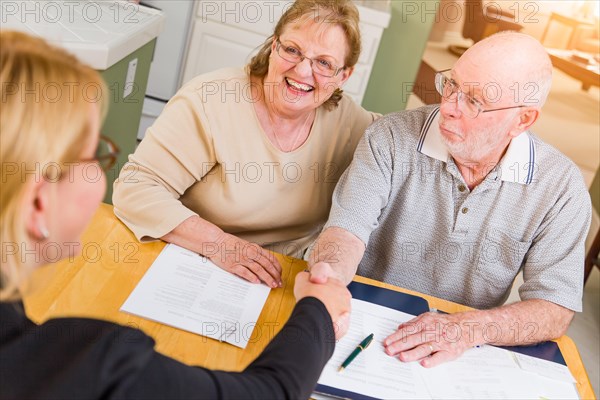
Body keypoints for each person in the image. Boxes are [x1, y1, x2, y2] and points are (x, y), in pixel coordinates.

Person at [0, 30, 351, 399]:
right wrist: (319, 314)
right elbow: (270, 393)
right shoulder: (88, 364)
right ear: (39, 201)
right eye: (94, 156)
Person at [308, 32, 591, 367]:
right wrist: (330, 275)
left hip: (461, 348)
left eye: (474, 100)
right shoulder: (390, 136)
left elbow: (554, 308)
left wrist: (468, 329)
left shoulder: (561, 188)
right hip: (363, 319)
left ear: (522, 119)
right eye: (452, 84)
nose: (449, 107)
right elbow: (345, 231)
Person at [112, 0, 378, 289]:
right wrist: (219, 244)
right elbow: (135, 187)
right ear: (274, 46)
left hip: (285, 280)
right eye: (292, 50)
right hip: (197, 261)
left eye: (324, 63)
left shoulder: (349, 121)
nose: (302, 71)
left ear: (344, 76)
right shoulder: (211, 100)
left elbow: (400, 141)